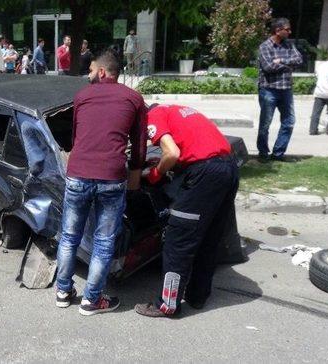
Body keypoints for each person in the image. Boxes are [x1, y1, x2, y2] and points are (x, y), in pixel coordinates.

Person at [55, 51, 145, 316]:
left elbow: (76, 136)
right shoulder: (134, 98)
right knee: (103, 241)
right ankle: (91, 300)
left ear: (103, 72)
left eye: (92, 70)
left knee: (70, 236)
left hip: (78, 174)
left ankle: (62, 292)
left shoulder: (82, 96)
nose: (90, 74)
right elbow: (139, 146)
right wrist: (135, 178)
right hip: (111, 177)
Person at [134, 104, 239, 318]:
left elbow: (172, 152)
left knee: (178, 239)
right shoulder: (179, 110)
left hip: (205, 174)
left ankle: (168, 304)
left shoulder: (153, 115)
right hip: (229, 167)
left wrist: (155, 173)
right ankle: (198, 295)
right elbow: (191, 146)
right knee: (209, 236)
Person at [256, 18, 302, 162]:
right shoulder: (265, 46)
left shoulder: (289, 45)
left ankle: (278, 153)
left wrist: (281, 61)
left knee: (289, 122)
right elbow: (268, 68)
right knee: (265, 124)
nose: (290, 32)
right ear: (277, 30)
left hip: (286, 90)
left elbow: (299, 60)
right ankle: (263, 153)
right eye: (287, 29)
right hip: (269, 90)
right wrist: (289, 65)